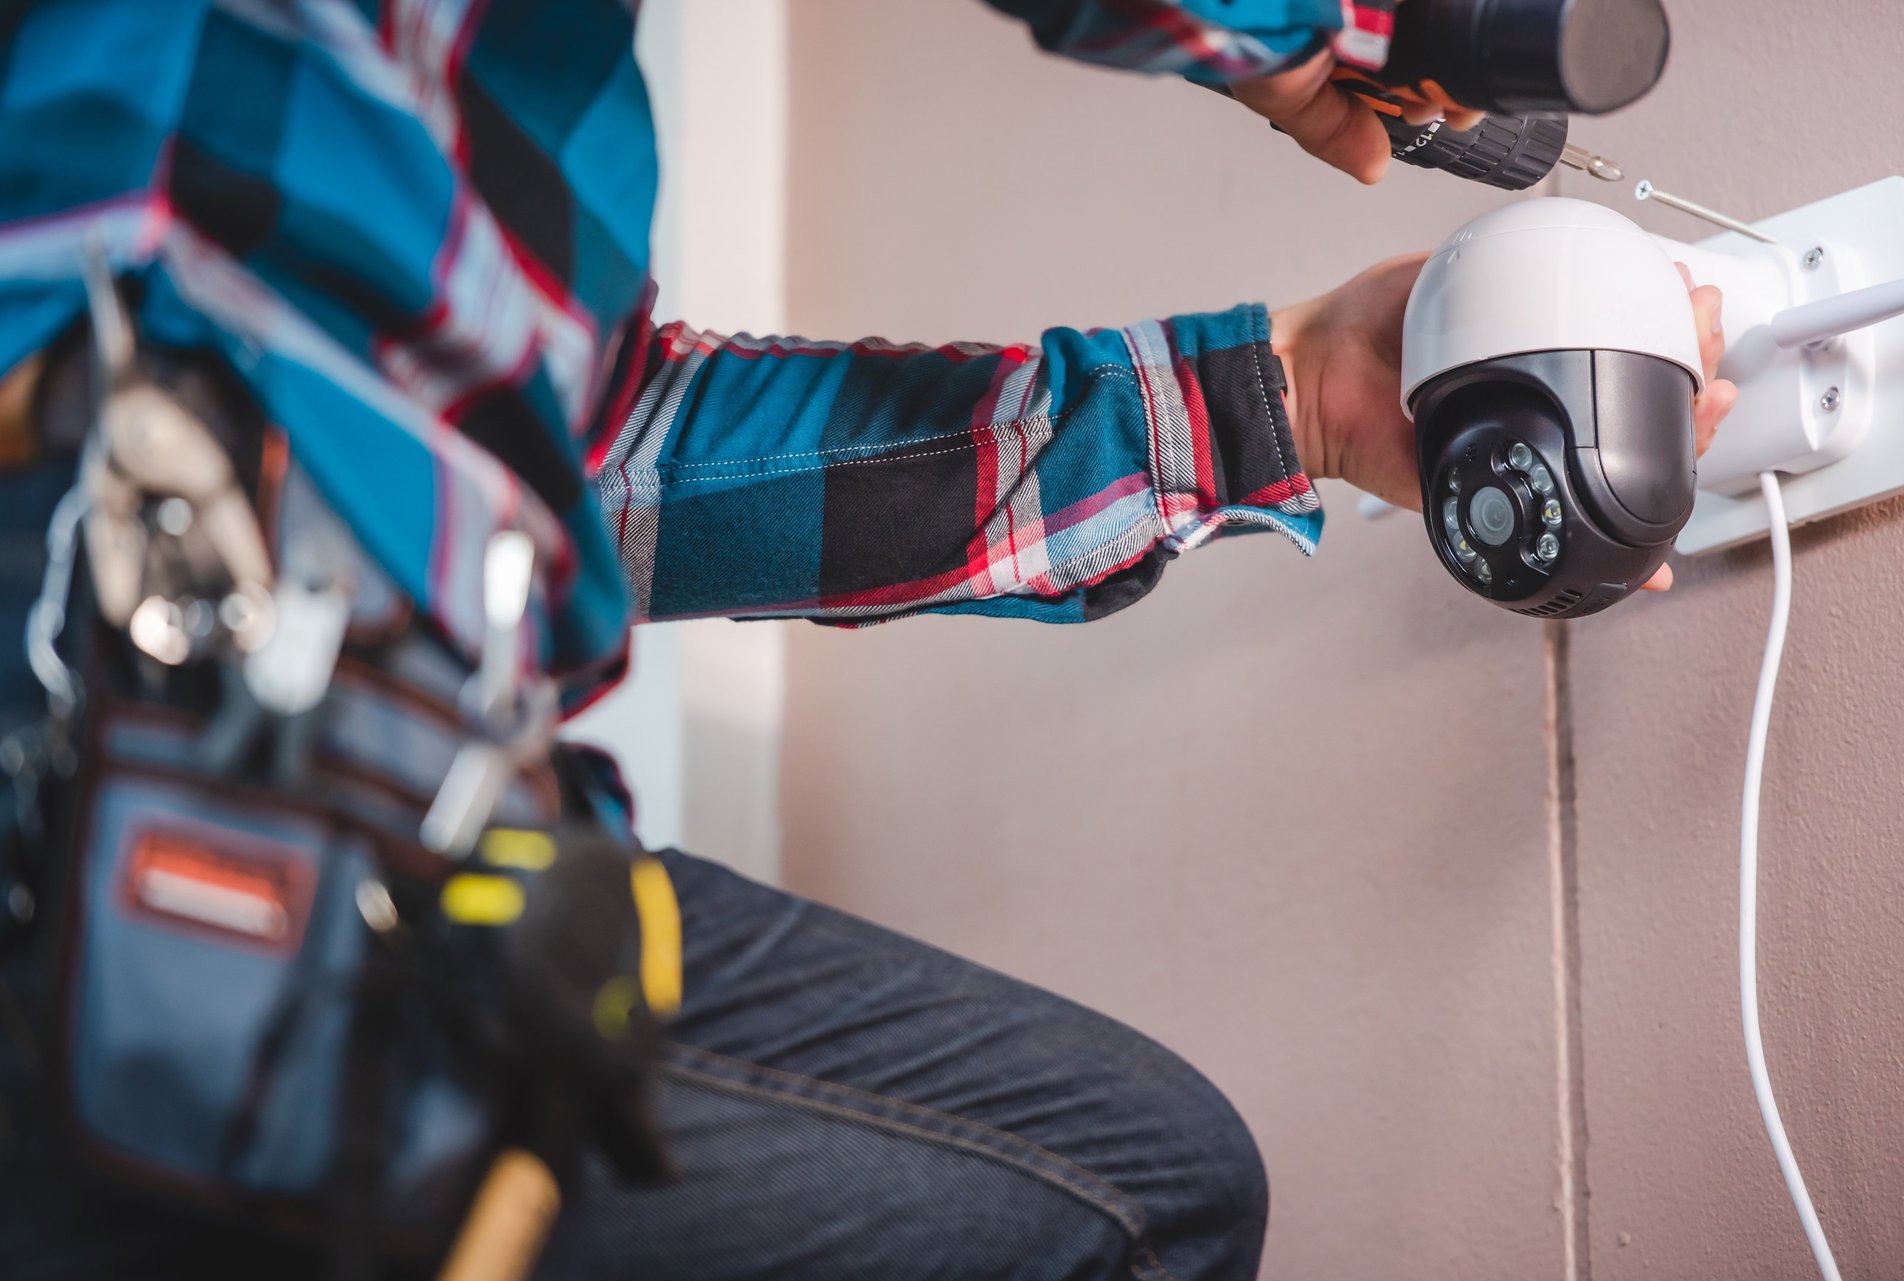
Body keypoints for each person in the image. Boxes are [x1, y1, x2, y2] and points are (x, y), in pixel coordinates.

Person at [0, 2, 1736, 1278]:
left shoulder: (510, 126)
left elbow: (619, 474)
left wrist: (1282, 398)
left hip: (416, 824)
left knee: (1135, 1190)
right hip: (108, 679)